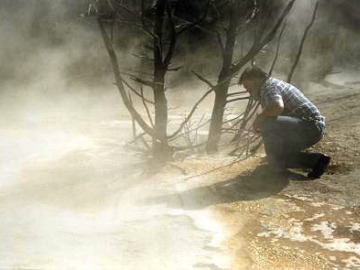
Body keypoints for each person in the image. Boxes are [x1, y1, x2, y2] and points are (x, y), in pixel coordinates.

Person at [239, 66, 330, 179]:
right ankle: (317, 160)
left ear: (256, 80)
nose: (247, 90)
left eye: (248, 86)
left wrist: (259, 120)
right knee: (278, 156)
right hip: (310, 128)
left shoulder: (268, 87)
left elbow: (277, 107)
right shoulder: (270, 85)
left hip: (309, 127)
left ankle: (276, 168)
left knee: (266, 123)